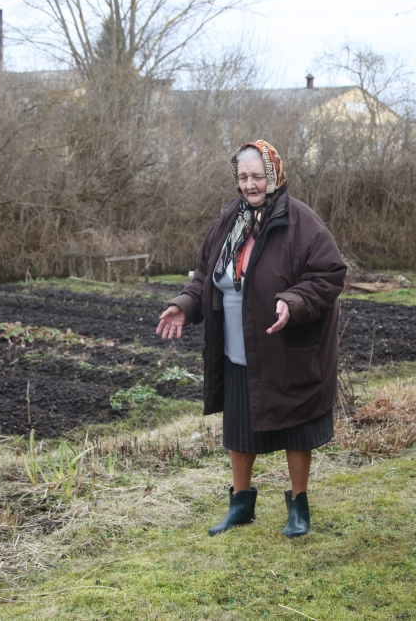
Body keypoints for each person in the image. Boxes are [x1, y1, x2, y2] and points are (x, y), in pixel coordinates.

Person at [156, 140, 346, 538]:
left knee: (296, 427)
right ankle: (241, 505)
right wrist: (184, 306)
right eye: (243, 177)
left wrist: (293, 302)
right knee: (239, 429)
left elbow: (329, 274)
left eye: (257, 176)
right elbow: (205, 276)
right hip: (238, 349)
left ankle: (298, 507)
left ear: (274, 175)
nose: (250, 185)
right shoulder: (230, 220)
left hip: (286, 348)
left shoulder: (302, 222)